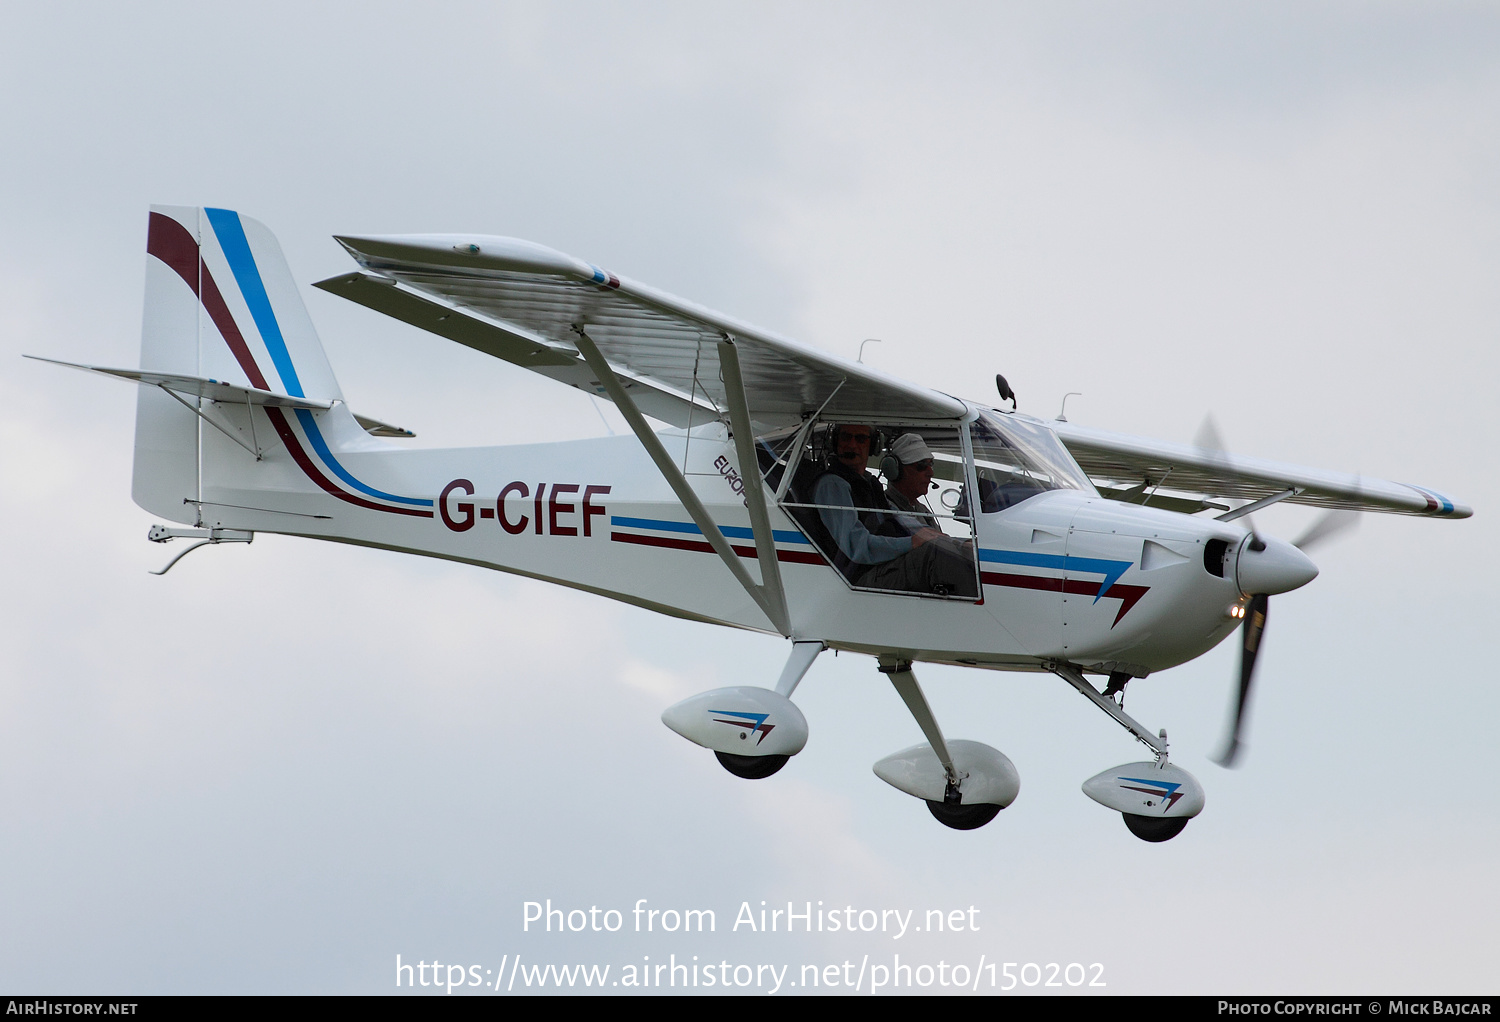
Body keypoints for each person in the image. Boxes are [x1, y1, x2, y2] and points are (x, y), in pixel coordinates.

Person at [809, 425, 976, 597]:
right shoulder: (833, 484)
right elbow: (857, 546)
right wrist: (911, 542)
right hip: (855, 580)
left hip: (881, 569)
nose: (851, 445)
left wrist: (961, 544)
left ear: (873, 445)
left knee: (957, 551)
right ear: (835, 442)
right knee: (937, 554)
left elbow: (910, 526)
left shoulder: (869, 484)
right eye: (845, 437)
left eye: (860, 439)